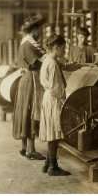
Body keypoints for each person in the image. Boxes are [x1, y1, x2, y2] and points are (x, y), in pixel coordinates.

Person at [12, 14, 46, 160]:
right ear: (34, 30)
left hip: (25, 80)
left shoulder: (24, 43)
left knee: (25, 111)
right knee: (32, 111)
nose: (41, 33)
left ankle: (24, 147)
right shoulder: (29, 45)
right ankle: (31, 150)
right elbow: (36, 63)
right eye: (40, 30)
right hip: (32, 80)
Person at [39, 34, 71, 176]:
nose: (64, 51)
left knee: (51, 131)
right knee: (54, 134)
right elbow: (56, 87)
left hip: (49, 98)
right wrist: (65, 100)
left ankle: (47, 163)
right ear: (56, 48)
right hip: (54, 99)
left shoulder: (47, 60)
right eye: (63, 48)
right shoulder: (52, 64)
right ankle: (54, 167)